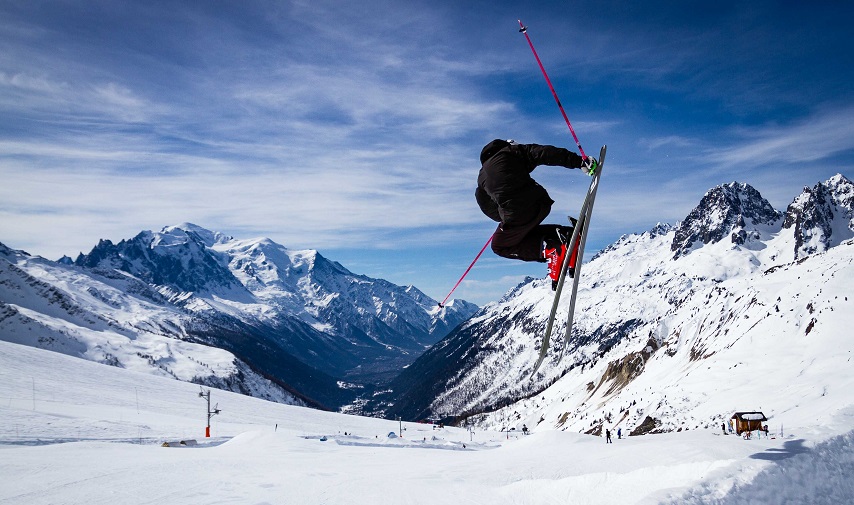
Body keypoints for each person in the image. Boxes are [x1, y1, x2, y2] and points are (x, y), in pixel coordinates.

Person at [476, 139, 595, 288]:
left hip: (516, 213)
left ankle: (552, 248)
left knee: (500, 246)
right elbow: (544, 153)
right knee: (521, 229)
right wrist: (579, 162)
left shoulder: (481, 179)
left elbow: (486, 206)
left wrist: (504, 219)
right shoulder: (512, 152)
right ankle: (565, 235)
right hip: (541, 203)